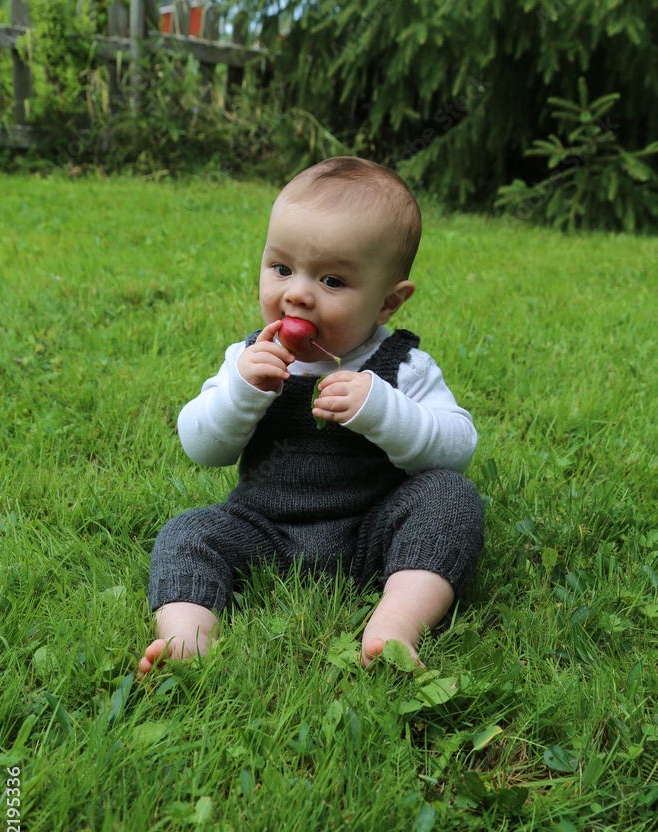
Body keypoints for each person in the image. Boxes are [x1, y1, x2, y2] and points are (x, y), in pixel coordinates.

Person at [139, 156, 484, 676]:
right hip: (264, 529)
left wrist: (383, 410)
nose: (296, 292)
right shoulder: (248, 359)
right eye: (281, 268)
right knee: (188, 532)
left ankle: (395, 625)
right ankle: (186, 640)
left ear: (388, 302)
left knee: (451, 500)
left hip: (375, 530)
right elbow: (201, 446)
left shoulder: (402, 367)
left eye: (331, 279)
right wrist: (242, 393)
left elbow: (459, 446)